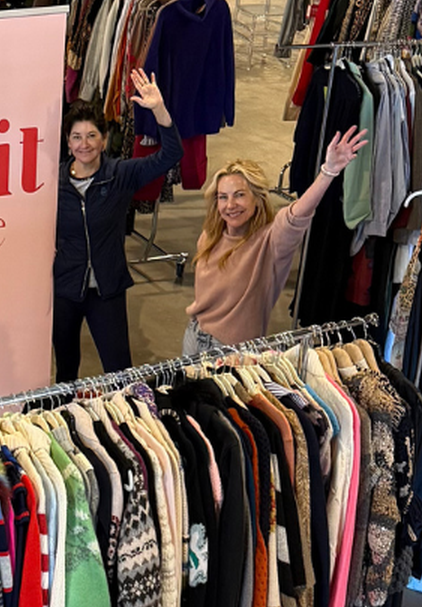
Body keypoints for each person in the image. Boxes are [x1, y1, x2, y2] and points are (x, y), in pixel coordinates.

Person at [182, 126, 367, 353]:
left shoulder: (270, 242)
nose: (230, 205)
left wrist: (328, 172)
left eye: (240, 195)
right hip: (194, 337)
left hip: (233, 352)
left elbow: (296, 216)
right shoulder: (211, 235)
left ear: (257, 199)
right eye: (223, 197)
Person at [53, 68, 181, 382]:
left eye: (92, 135)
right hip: (65, 290)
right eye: (77, 137)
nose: (84, 144)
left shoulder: (121, 174)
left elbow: (171, 155)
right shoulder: (53, 182)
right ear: (68, 143)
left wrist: (159, 110)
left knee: (119, 373)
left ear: (105, 139)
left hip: (107, 290)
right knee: (65, 372)